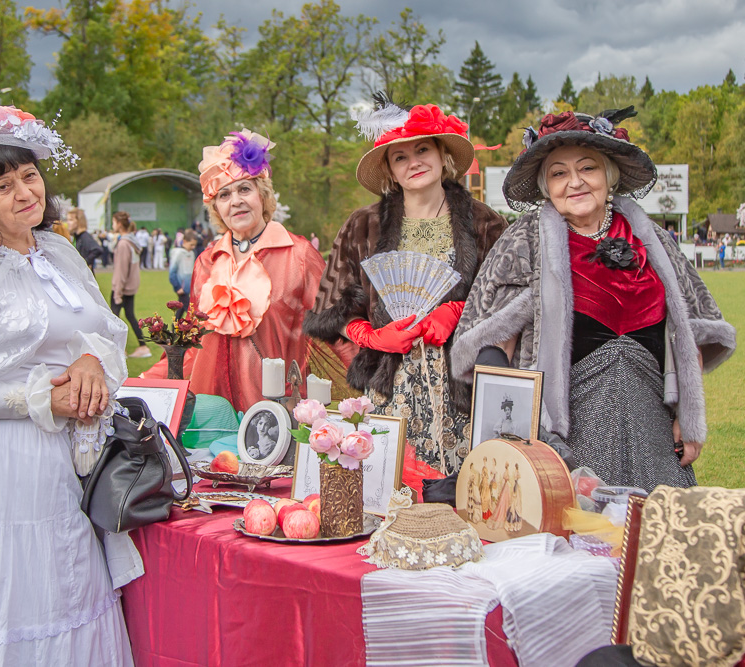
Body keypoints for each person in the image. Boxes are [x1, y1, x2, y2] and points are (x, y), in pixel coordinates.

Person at [0, 99, 134, 666]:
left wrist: (91, 361)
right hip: (2, 465)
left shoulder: (61, 251)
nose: (23, 193)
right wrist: (42, 397)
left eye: (29, 176)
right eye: (2, 185)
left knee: (71, 587)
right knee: (19, 598)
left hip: (72, 462)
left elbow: (111, 332)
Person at [452, 107, 736, 492]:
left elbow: (691, 326)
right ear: (546, 185)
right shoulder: (526, 240)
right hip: (566, 438)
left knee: (652, 539)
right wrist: (512, 432)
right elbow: (492, 345)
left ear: (608, 174)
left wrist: (689, 415)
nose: (575, 182)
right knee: (578, 540)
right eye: (559, 173)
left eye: (587, 168)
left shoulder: (651, 238)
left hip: (652, 428)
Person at [304, 100, 507, 475]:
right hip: (388, 389)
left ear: (442, 153)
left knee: (459, 496)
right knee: (391, 489)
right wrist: (369, 336)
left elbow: (510, 300)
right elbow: (332, 308)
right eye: (400, 157)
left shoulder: (484, 222)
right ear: (390, 170)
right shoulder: (362, 225)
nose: (413, 162)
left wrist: (461, 311)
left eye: (422, 149)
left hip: (464, 390)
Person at [146, 128, 353, 412]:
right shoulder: (207, 261)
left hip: (278, 413)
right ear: (217, 207)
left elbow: (338, 328)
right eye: (224, 195)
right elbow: (192, 343)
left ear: (262, 195)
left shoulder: (300, 255)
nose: (236, 201)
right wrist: (148, 382)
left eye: (245, 189)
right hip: (211, 411)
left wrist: (374, 381)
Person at [111, 210, 151, 358]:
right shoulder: (131, 241)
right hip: (130, 286)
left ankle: (119, 350)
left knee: (113, 318)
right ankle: (142, 347)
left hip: (122, 287)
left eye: (114, 222)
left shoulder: (124, 244)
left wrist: (117, 292)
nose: (112, 225)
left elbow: (121, 270)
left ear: (119, 224)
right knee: (129, 315)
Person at [168, 230, 197, 319]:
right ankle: (195, 327)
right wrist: (177, 287)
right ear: (184, 241)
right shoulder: (178, 253)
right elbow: (172, 272)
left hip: (188, 288)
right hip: (181, 288)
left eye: (194, 245)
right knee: (190, 311)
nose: (193, 247)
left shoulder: (192, 253)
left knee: (180, 310)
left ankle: (174, 329)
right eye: (191, 244)